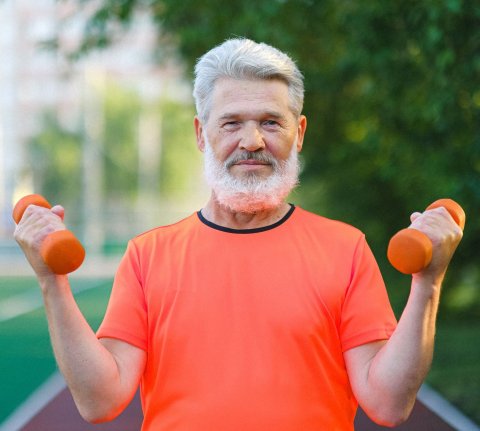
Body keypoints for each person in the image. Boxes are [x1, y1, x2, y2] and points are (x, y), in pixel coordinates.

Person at [14, 38, 463, 431]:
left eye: (271, 122)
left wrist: (429, 282)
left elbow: (388, 405)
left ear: (298, 133)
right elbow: (99, 401)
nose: (252, 141)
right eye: (231, 123)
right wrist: (51, 283)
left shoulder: (345, 249)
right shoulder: (147, 255)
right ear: (201, 133)